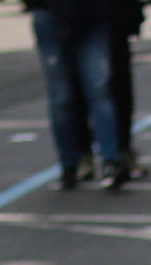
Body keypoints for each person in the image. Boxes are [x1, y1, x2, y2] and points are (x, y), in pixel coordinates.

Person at [23, 0, 126, 191]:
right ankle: (69, 163)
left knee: (99, 88)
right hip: (51, 13)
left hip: (91, 14)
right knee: (63, 96)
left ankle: (110, 160)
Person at [65, 0, 148, 183]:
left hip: (109, 15)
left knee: (116, 87)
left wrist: (133, 15)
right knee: (77, 89)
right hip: (71, 14)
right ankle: (84, 154)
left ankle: (121, 150)